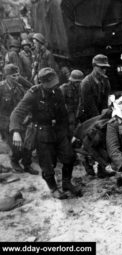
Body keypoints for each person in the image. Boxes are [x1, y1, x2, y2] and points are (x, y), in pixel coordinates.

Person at [10, 67, 82, 199]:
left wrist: (69, 135)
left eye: (55, 84)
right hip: (43, 134)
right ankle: (54, 188)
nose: (53, 87)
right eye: (50, 85)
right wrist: (15, 131)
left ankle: (66, 183)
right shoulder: (33, 94)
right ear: (41, 83)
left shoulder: (57, 92)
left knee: (69, 157)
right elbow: (17, 113)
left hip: (59, 132)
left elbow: (63, 115)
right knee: (47, 165)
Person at [77, 54, 112, 177]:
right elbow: (88, 106)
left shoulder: (105, 80)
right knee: (90, 142)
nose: (104, 70)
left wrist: (105, 116)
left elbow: (104, 101)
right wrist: (100, 120)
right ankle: (87, 165)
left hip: (99, 114)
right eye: (101, 67)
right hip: (87, 116)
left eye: (105, 67)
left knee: (105, 140)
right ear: (94, 66)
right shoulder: (86, 83)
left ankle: (102, 169)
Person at [0, 64, 37, 175]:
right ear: (6, 76)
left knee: (28, 143)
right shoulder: (1, 89)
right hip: (5, 122)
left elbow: (27, 104)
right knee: (15, 145)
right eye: (13, 76)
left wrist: (28, 116)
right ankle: (14, 161)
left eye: (17, 75)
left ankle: (27, 164)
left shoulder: (20, 88)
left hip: (19, 120)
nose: (16, 78)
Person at [60, 70, 84, 139]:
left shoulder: (80, 89)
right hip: (67, 114)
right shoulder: (64, 88)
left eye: (79, 82)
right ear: (72, 81)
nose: (78, 84)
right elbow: (60, 103)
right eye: (76, 82)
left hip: (76, 113)